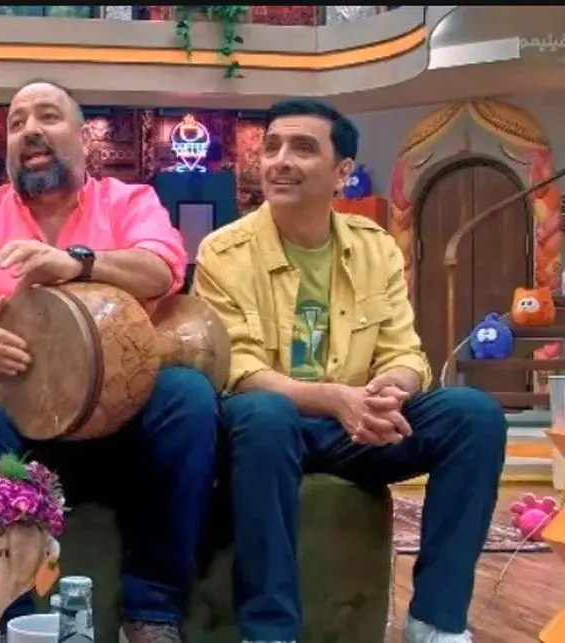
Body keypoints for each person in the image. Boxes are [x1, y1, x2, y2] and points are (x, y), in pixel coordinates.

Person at [191, 98, 506, 643]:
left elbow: (405, 350)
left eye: (302, 148)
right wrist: (337, 399)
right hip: (268, 429)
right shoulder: (224, 251)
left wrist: (392, 389)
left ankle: (435, 622)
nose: (280, 161)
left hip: (356, 427)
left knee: (473, 416)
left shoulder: (375, 247)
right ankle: (270, 631)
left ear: (342, 173)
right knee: (263, 414)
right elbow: (235, 368)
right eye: (272, 147)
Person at [0, 81, 219, 643]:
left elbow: (162, 268)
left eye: (48, 117)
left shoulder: (128, 202)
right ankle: (3, 621)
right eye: (17, 123)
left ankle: (152, 614)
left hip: (122, 431)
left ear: (83, 138)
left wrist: (77, 263)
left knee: (187, 396)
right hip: (21, 438)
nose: (30, 130)